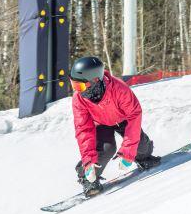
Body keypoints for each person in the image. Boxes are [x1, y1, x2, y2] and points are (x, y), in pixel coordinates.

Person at [69, 56, 161, 197]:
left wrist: (128, 152)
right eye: (74, 85)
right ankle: (87, 178)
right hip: (101, 124)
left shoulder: (119, 89)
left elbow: (134, 115)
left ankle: (143, 158)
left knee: (142, 148)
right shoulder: (79, 98)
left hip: (124, 120)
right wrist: (88, 161)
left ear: (95, 80)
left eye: (79, 86)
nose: (77, 91)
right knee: (106, 149)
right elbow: (83, 129)